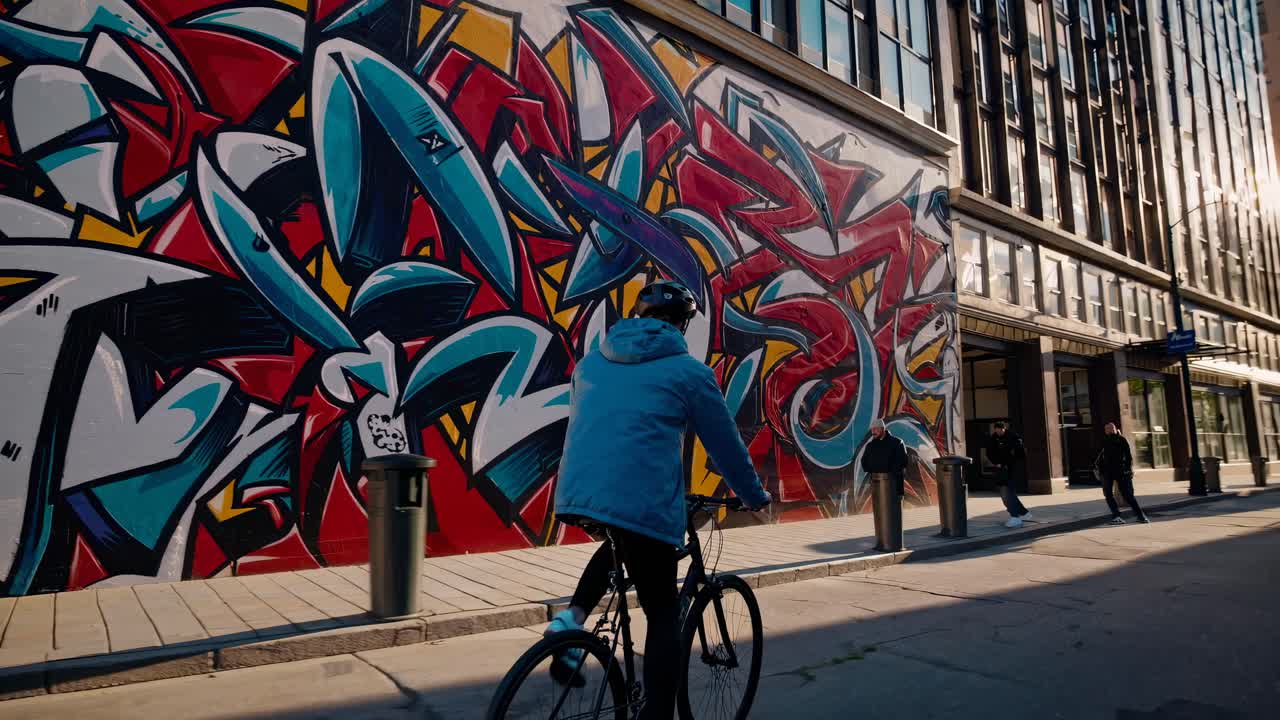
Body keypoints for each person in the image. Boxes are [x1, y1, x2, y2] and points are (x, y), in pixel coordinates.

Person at [548, 280, 772, 718]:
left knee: (620, 536)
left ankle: (569, 621)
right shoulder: (688, 372)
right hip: (641, 498)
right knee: (664, 614)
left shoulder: (591, 362)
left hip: (579, 491)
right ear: (682, 324)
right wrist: (755, 497)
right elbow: (725, 445)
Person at [1094, 422, 1150, 524]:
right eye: (1107, 429)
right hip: (1108, 472)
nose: (1109, 431)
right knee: (1110, 494)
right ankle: (1119, 516)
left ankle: (1140, 516)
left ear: (1114, 429)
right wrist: (1100, 469)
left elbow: (1128, 457)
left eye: (1110, 429)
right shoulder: (1106, 440)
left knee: (1126, 495)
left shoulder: (1121, 440)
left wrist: (1129, 469)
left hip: (1120, 472)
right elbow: (1099, 456)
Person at [985, 421, 1032, 528]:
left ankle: (1015, 517)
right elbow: (989, 452)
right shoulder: (993, 439)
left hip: (1011, 469)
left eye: (1000, 430)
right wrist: (996, 463)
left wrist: (1010, 462)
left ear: (1004, 428)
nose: (998, 432)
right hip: (1000, 469)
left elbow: (1020, 454)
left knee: (1006, 493)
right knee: (1006, 493)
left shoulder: (1013, 438)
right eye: (996, 431)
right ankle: (1024, 513)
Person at [861, 418, 908, 487]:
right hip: (876, 484)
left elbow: (903, 462)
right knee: (878, 498)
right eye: (872, 429)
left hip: (894, 484)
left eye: (875, 429)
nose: (873, 432)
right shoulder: (870, 445)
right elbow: (864, 461)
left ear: (882, 429)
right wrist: (875, 472)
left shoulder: (897, 443)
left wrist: (888, 473)